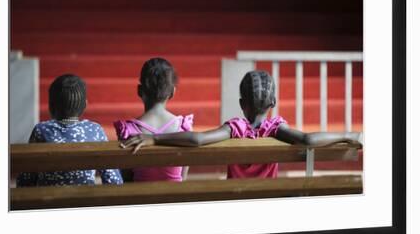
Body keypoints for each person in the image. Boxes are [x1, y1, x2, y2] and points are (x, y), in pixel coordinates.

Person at [120, 70, 362, 179]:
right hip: (269, 199)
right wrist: (347, 134)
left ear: (241, 103)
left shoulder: (236, 128)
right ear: (274, 102)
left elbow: (198, 140)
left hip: (234, 199)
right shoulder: (275, 128)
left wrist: (154, 138)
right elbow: (309, 140)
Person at [16, 74, 123, 187]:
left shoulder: (41, 130)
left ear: (51, 106)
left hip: (48, 200)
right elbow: (113, 179)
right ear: (85, 105)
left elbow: (27, 177)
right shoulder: (95, 130)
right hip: (86, 199)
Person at [114, 57, 194, 182]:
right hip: (174, 197)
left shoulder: (127, 130)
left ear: (139, 91)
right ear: (172, 92)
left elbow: (126, 178)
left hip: (140, 198)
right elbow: (182, 177)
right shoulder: (183, 126)